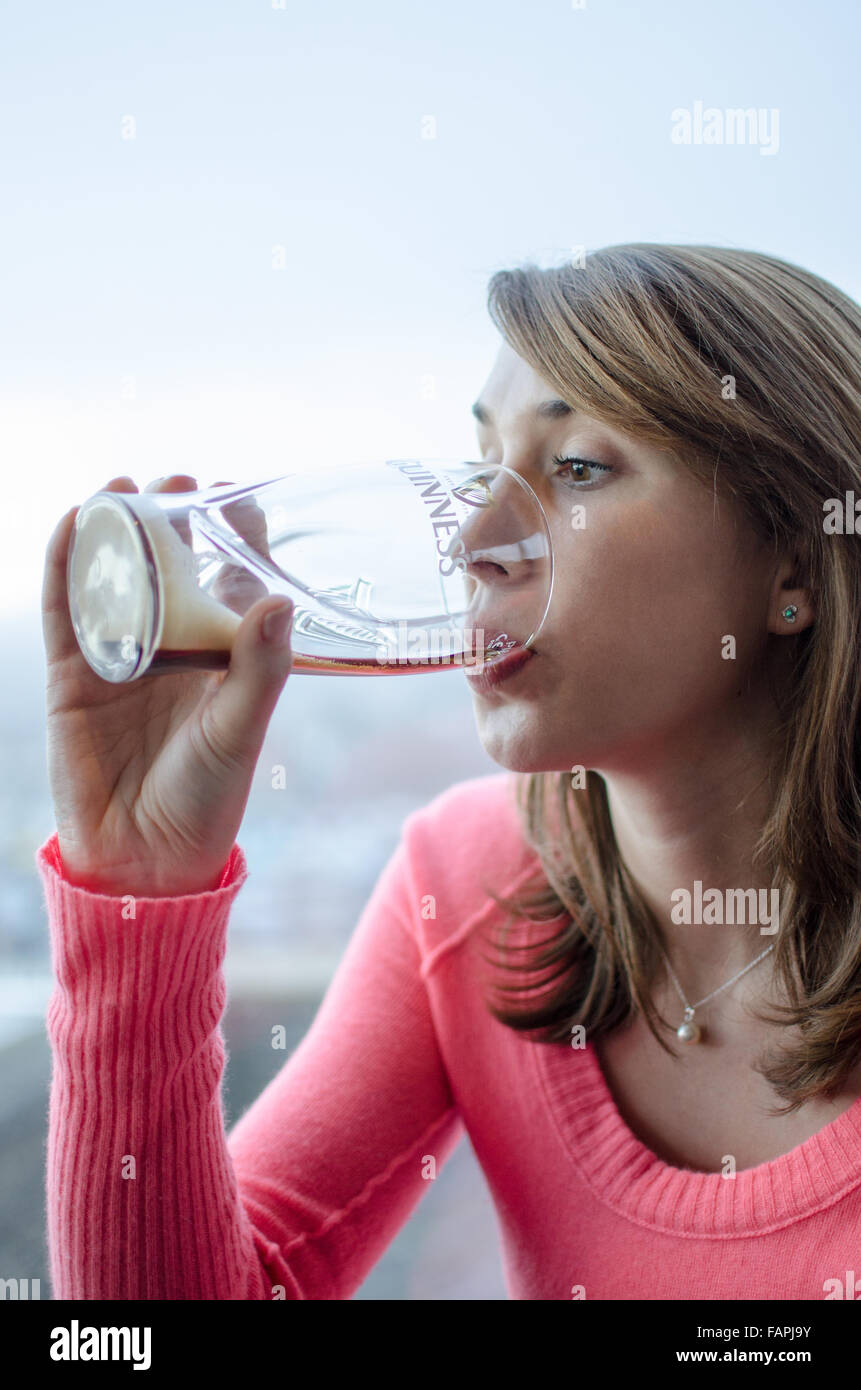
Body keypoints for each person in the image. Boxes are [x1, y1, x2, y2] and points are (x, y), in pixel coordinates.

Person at [37, 243, 861, 1300]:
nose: (472, 541)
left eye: (576, 469)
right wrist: (139, 893)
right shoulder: (470, 882)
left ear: (793, 561)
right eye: (482, 467)